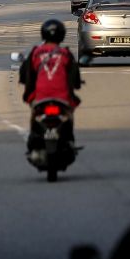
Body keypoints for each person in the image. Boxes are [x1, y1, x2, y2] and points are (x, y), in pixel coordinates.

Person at [18, 19, 81, 158]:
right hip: (62, 97)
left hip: (40, 97)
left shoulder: (36, 53)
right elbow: (76, 79)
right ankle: (69, 140)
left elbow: (24, 75)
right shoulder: (66, 53)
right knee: (69, 115)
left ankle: (33, 138)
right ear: (62, 35)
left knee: (35, 113)